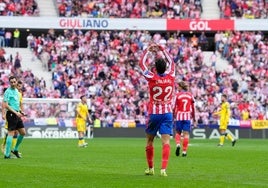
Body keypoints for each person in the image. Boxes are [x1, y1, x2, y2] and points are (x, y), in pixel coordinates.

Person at [139, 43, 175, 177]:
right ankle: (163, 170)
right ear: (166, 67)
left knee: (149, 141)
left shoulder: (151, 77)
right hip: (167, 113)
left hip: (154, 113)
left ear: (155, 68)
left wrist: (147, 50)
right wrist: (162, 49)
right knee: (166, 142)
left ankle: (150, 168)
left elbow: (141, 64)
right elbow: (172, 61)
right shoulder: (171, 75)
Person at [2, 76, 26, 159]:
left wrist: (21, 111)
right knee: (11, 133)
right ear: (9, 83)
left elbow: (16, 104)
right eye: (11, 82)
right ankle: (7, 154)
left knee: (23, 132)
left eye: (14, 82)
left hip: (17, 113)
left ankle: (15, 149)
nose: (13, 83)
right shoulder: (7, 92)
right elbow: (6, 105)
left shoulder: (17, 91)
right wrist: (15, 112)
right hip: (11, 114)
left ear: (16, 82)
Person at [173, 81, 197, 157]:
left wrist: (174, 116)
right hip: (187, 116)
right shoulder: (190, 95)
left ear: (181, 87)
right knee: (186, 134)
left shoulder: (177, 95)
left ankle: (177, 144)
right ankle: (184, 151)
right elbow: (193, 108)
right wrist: (194, 118)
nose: (177, 87)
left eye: (178, 86)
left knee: (178, 133)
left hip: (179, 115)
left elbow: (174, 107)